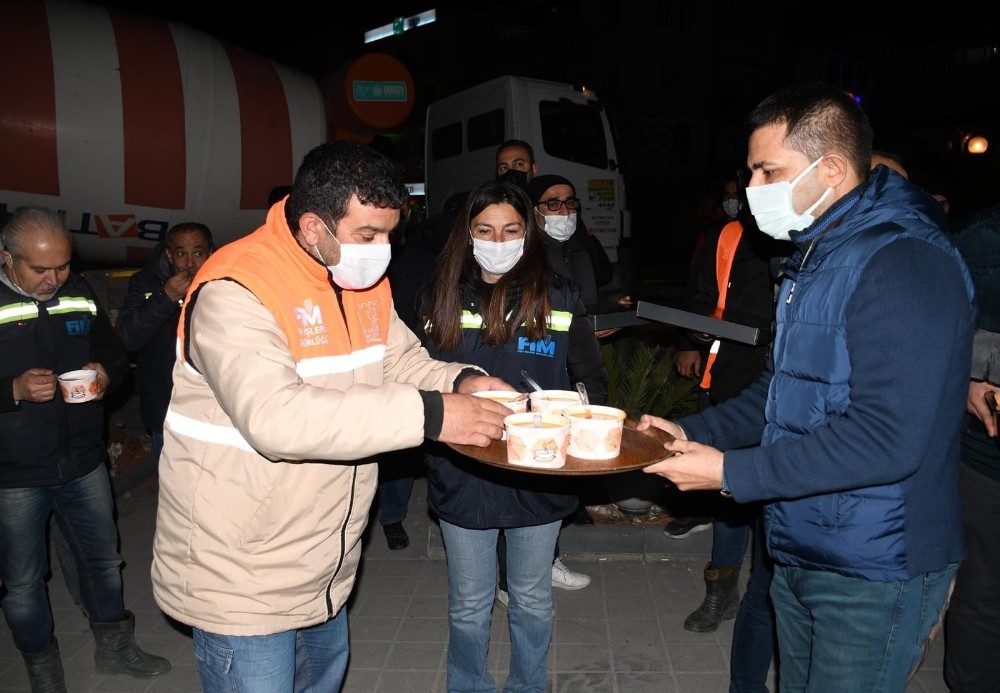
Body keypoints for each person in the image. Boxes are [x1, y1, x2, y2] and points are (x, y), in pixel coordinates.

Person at [639, 82, 975, 690]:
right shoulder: (814, 258)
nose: (753, 187)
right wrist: (687, 430)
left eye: (770, 170)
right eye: (750, 171)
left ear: (834, 168)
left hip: (877, 563)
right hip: (802, 540)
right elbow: (779, 392)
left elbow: (888, 438)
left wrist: (731, 474)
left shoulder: (905, 262)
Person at [150, 140, 514, 692]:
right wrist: (435, 415)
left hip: (326, 558)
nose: (382, 249)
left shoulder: (357, 277)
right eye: (367, 235)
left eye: (390, 233)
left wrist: (463, 380)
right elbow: (276, 418)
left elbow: (398, 358)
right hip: (243, 567)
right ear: (313, 226)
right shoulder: (236, 290)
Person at [417, 179, 608, 693]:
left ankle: (529, 685)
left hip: (539, 469)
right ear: (468, 234)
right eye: (484, 230)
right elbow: (414, 375)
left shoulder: (559, 293)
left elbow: (589, 375)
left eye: (510, 229)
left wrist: (589, 429)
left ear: (528, 232)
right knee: (470, 604)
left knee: (531, 598)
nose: (497, 241)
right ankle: (469, 685)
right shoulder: (441, 295)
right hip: (464, 469)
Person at [0, 206, 171, 691]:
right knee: (25, 582)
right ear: (7, 259)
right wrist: (10, 390)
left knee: (102, 560)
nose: (54, 278)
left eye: (63, 265)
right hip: (13, 473)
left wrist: (105, 374)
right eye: (40, 269)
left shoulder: (78, 292)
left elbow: (114, 353)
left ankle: (115, 648)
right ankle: (43, 671)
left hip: (82, 461)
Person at [664, 174, 744, 541]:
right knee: (710, 437)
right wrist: (689, 341)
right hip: (719, 366)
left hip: (754, 368)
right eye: (726, 194)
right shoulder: (720, 234)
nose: (732, 200)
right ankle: (701, 512)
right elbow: (696, 291)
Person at [944, 202, 1000, 692]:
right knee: (984, 595)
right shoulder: (981, 237)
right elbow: (946, 328)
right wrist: (969, 378)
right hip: (988, 456)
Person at [114, 222, 214, 463]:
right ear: (169, 255)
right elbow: (127, 338)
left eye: (198, 253)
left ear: (210, 252)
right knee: (173, 491)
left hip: (215, 409)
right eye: (181, 254)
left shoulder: (223, 281)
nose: (190, 263)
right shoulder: (146, 283)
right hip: (167, 408)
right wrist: (165, 298)